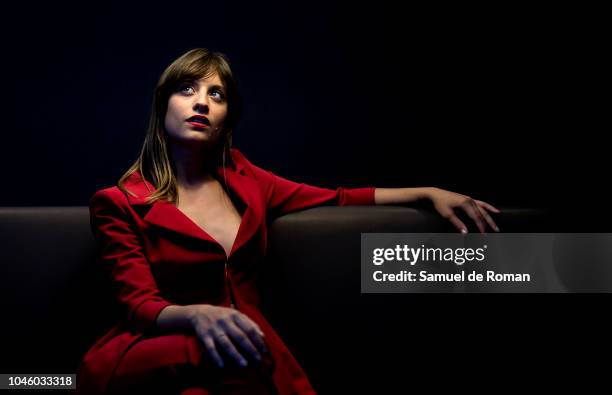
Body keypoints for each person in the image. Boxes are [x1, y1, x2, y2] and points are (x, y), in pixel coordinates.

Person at [76, 48, 500, 395]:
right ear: (163, 106)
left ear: (226, 122)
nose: (201, 101)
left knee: (224, 374)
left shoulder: (249, 182)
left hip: (245, 351)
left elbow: (338, 197)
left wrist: (428, 192)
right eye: (187, 89)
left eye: (217, 94)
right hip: (156, 349)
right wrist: (197, 315)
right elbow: (138, 304)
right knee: (222, 357)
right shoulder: (118, 203)